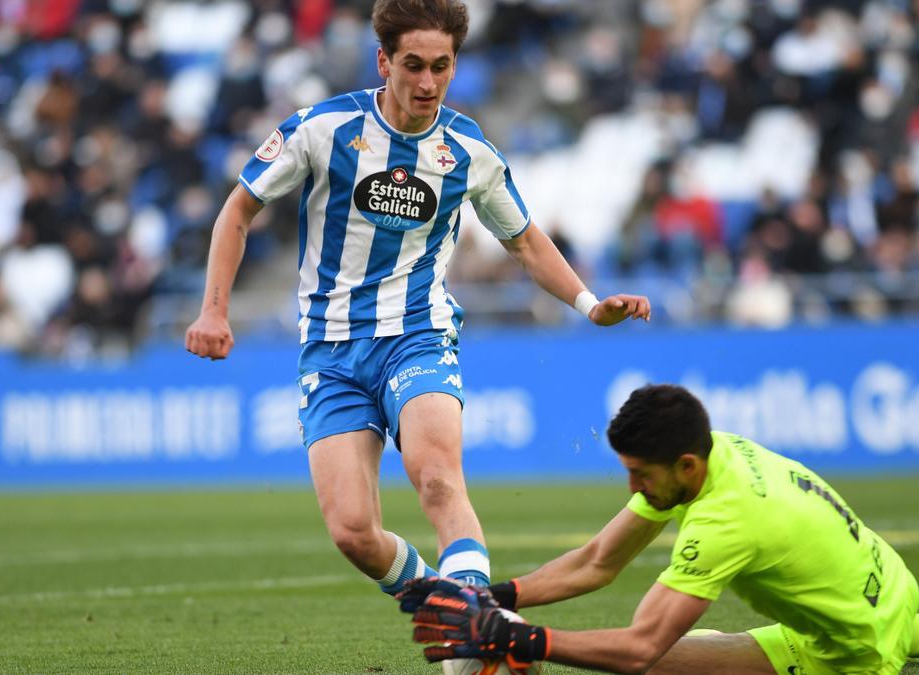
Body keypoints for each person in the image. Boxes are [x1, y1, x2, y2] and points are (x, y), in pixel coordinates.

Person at [184, 0, 649, 599]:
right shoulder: (322, 130)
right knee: (354, 533)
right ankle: (447, 602)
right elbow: (237, 211)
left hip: (417, 335)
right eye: (413, 65)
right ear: (383, 61)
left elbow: (527, 243)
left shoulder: (468, 150)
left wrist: (589, 304)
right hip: (330, 352)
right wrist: (214, 309)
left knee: (437, 480)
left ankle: (474, 632)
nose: (428, 82)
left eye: (441, 66)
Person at [401, 384, 919, 674]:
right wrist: (493, 596)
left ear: (685, 466)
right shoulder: (717, 453)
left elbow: (638, 651)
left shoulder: (726, 520)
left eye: (640, 475)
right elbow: (598, 562)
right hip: (891, 586)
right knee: (913, 630)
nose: (633, 488)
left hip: (849, 650)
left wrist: (526, 641)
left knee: (663, 665)